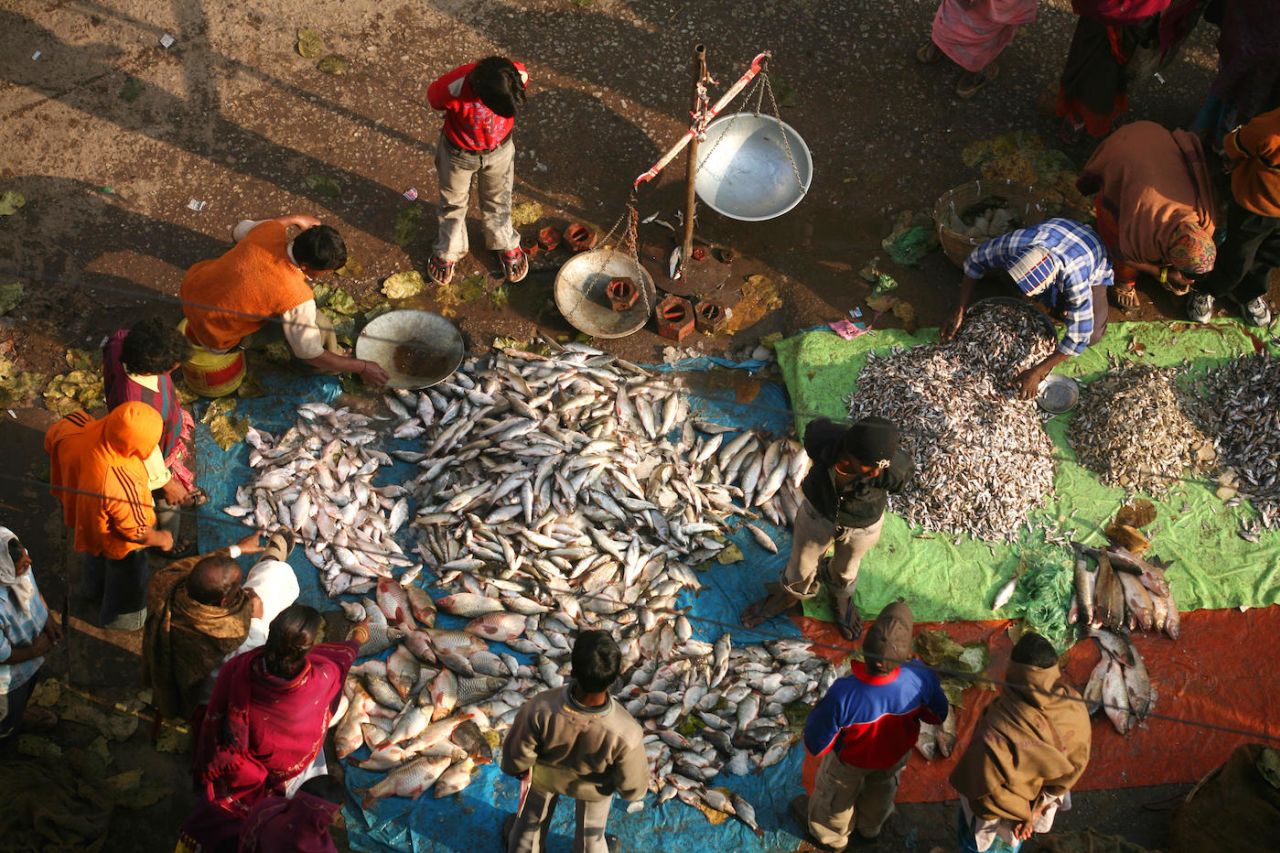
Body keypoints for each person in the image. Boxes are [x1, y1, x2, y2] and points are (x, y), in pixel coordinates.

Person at [793, 602, 948, 851]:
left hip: (848, 764)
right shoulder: (921, 678)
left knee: (834, 801)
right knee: (882, 791)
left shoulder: (843, 694)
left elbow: (817, 743)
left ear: (865, 648)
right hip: (894, 758)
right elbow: (937, 715)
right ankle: (870, 829)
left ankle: (832, 839)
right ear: (907, 653)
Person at [741, 416, 913, 641]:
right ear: (849, 453)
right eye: (869, 467)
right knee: (801, 563)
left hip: (862, 524)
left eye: (881, 467)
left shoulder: (894, 472)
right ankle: (789, 596)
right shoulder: (822, 441)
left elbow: (892, 475)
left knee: (847, 566)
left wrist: (876, 471)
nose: (874, 473)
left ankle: (840, 596)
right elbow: (815, 429)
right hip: (818, 513)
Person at [193, 605, 362, 822]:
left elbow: (217, 709)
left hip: (241, 751)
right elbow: (342, 658)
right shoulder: (322, 678)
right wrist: (358, 637)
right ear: (307, 648)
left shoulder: (238, 666)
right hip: (287, 762)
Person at [180, 215, 388, 386]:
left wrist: (294, 218)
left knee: (241, 249)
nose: (328, 275)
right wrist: (363, 366)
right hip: (216, 337)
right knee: (320, 324)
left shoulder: (269, 231)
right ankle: (330, 365)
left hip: (191, 290)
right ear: (306, 266)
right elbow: (310, 353)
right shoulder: (296, 297)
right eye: (326, 271)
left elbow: (238, 230)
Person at [501, 630, 648, 853]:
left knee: (528, 827)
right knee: (591, 837)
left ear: (572, 669)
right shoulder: (625, 732)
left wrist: (519, 770)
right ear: (616, 676)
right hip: (594, 789)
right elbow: (633, 790)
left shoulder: (540, 707)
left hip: (542, 779)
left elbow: (516, 758)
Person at [950, 632, 1092, 852]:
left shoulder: (996, 726)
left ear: (1014, 672)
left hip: (1004, 817)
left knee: (979, 845)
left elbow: (982, 791)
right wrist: (1035, 812)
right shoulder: (1072, 704)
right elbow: (1075, 766)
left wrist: (1021, 815)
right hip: (1033, 810)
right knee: (1012, 846)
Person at [942, 219, 1115, 399]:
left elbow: (1080, 337)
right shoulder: (1016, 244)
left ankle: (1063, 301)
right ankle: (1058, 302)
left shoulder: (1076, 277)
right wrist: (960, 309)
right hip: (1061, 230)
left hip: (1093, 256)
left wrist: (1038, 371)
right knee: (1046, 300)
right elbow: (975, 260)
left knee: (1093, 335)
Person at [143, 530, 300, 729]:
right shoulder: (233, 635)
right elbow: (253, 658)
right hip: (202, 697)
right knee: (270, 586)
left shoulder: (164, 582)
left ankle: (271, 561)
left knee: (266, 584)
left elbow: (190, 564)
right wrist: (257, 620)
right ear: (224, 601)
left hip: (159, 669)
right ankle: (272, 563)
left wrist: (237, 549)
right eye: (238, 589)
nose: (242, 590)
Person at [44, 402, 173, 631]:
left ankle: (91, 591)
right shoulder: (121, 481)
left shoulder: (74, 424)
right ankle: (122, 621)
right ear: (136, 446)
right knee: (125, 580)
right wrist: (162, 538)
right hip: (118, 543)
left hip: (86, 521)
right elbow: (137, 532)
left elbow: (50, 442)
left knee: (95, 558)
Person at [1076, 121, 1218, 308]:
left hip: (1154, 133)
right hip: (1125, 147)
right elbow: (1125, 255)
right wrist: (1162, 274)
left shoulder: (1206, 221)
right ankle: (1123, 283)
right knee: (1113, 230)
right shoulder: (1143, 233)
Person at [426, 56, 530, 287]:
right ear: (480, 94)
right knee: (453, 202)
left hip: (501, 150)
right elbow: (434, 99)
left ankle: (503, 240)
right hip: (457, 154)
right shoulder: (453, 86)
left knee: (499, 198)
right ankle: (449, 248)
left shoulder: (517, 74)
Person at [103, 316, 204, 551]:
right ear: (156, 369)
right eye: (174, 365)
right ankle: (168, 543)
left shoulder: (121, 342)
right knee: (166, 500)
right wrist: (167, 483)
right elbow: (145, 452)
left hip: (150, 432)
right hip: (149, 453)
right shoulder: (139, 408)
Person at [1056, 0, 1205, 142]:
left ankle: (1078, 118)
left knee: (1103, 74)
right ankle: (1078, 119)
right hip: (1121, 28)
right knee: (1097, 78)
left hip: (1127, 26)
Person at [1187, 105, 1280, 326]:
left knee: (1272, 255)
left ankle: (1248, 292)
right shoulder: (1270, 129)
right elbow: (1234, 144)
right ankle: (1207, 288)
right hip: (1256, 206)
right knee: (1238, 254)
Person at [0, 528, 63, 738]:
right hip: (7, 680)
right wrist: (37, 649)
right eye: (21, 565)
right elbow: (3, 654)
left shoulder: (9, 550)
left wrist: (46, 616)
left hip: (30, 660)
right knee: (6, 715)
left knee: (24, 695)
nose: (29, 561)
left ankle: (19, 715)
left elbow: (32, 587)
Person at [1192, 0, 1280, 145]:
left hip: (1237, 41)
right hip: (1259, 65)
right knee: (1237, 105)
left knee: (1223, 88)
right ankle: (1220, 142)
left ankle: (1199, 132)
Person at [916, 0, 1037, 98]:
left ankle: (934, 49)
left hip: (957, 10)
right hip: (990, 17)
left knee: (949, 20)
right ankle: (971, 79)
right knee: (981, 46)